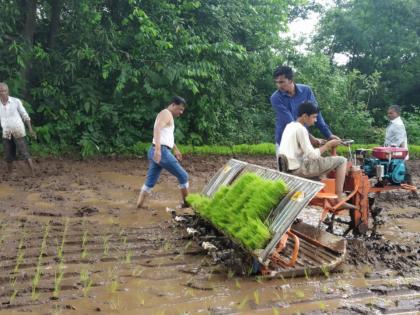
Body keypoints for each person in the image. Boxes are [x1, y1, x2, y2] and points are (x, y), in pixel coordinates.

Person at [278, 102, 349, 202]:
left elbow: (302, 147)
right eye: (314, 117)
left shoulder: (290, 126)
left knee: (321, 161)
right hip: (298, 169)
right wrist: (328, 145)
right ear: (305, 116)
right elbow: (312, 155)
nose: (315, 120)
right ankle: (339, 197)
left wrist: (319, 142)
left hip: (287, 167)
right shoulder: (301, 129)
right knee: (342, 160)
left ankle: (325, 191)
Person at [270, 65, 340, 152]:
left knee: (307, 164)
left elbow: (316, 114)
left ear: (291, 80)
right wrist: (310, 137)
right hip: (285, 142)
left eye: (281, 82)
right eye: (276, 82)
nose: (278, 85)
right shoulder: (276, 98)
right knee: (286, 165)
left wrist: (328, 135)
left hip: (303, 141)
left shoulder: (306, 91)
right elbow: (290, 122)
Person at [136, 96, 189, 208]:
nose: (181, 112)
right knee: (183, 176)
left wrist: (175, 148)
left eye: (182, 110)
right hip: (161, 151)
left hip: (157, 149)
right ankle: (187, 205)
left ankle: (139, 205)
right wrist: (159, 150)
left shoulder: (167, 115)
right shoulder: (166, 114)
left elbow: (166, 135)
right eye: (180, 109)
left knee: (150, 182)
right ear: (173, 104)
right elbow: (157, 129)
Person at [0, 82, 36, 175]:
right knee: (8, 155)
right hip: (6, 132)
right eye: (0, 91)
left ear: (8, 91)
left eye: (4, 91)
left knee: (24, 152)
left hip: (18, 130)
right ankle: (10, 174)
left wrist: (30, 129)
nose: (2, 93)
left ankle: (33, 172)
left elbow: (25, 115)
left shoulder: (16, 101)